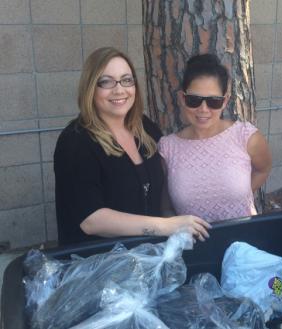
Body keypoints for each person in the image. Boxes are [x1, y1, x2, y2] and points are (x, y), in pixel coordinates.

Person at [54, 47, 211, 245]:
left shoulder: (145, 128)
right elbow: (91, 221)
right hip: (98, 264)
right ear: (90, 88)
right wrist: (165, 225)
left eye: (126, 80)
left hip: (149, 258)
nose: (119, 89)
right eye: (106, 82)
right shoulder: (75, 141)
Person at [158, 54, 272, 222]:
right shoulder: (168, 148)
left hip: (242, 239)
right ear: (182, 98)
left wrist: (242, 195)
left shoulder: (246, 137)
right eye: (194, 100)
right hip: (192, 244)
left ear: (225, 101)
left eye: (214, 101)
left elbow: (263, 169)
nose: (203, 109)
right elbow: (165, 202)